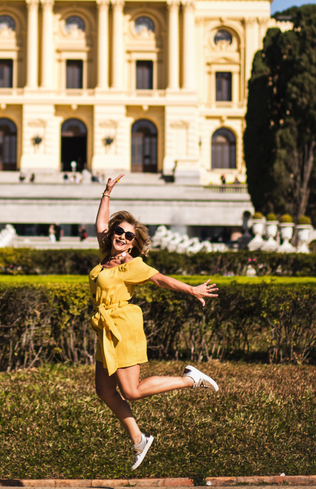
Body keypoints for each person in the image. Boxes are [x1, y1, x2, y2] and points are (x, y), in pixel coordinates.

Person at [90, 173, 220, 470]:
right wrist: (107, 192)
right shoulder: (105, 255)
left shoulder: (131, 264)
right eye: (119, 232)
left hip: (123, 327)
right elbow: (100, 225)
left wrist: (191, 289)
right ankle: (139, 440)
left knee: (131, 391)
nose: (122, 237)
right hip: (105, 329)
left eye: (129, 236)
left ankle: (191, 379)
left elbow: (160, 280)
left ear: (134, 243)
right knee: (105, 391)